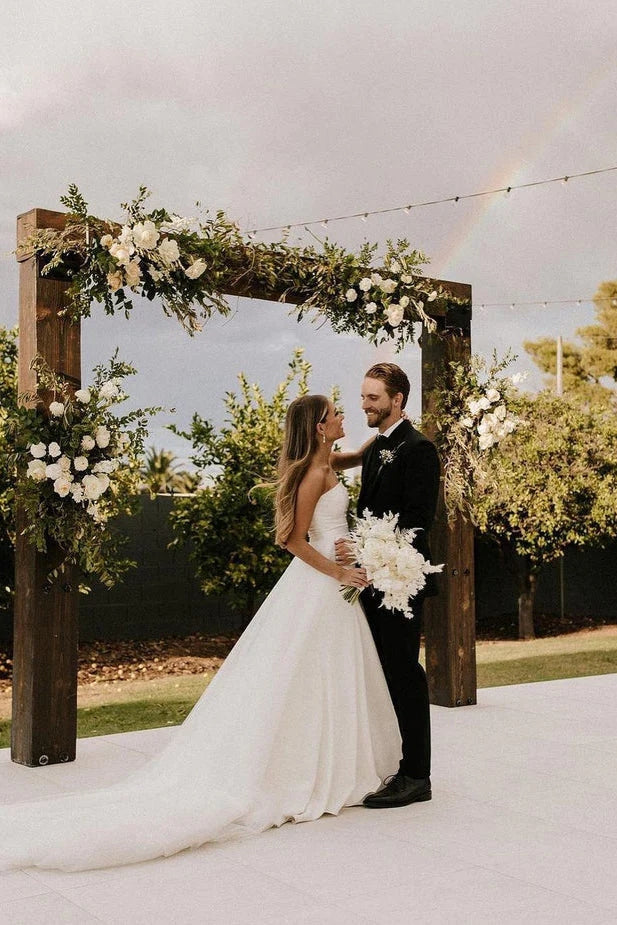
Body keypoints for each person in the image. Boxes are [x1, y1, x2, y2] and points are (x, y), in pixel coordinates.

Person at [0, 394, 401, 872]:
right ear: (318, 427)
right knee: (303, 676)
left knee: (325, 677)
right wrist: (340, 573)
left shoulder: (328, 462)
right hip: (321, 584)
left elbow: (358, 455)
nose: (343, 417)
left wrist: (392, 429)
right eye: (335, 413)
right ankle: (299, 771)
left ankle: (334, 762)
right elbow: (290, 539)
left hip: (335, 582)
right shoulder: (313, 474)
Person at [335, 363, 440, 809]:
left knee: (405, 675)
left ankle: (417, 775)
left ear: (397, 399)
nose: (364, 405)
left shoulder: (419, 450)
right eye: (363, 397)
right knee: (384, 676)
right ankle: (394, 765)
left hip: (400, 583)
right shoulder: (378, 446)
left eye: (373, 398)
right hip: (371, 582)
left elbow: (416, 525)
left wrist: (367, 555)